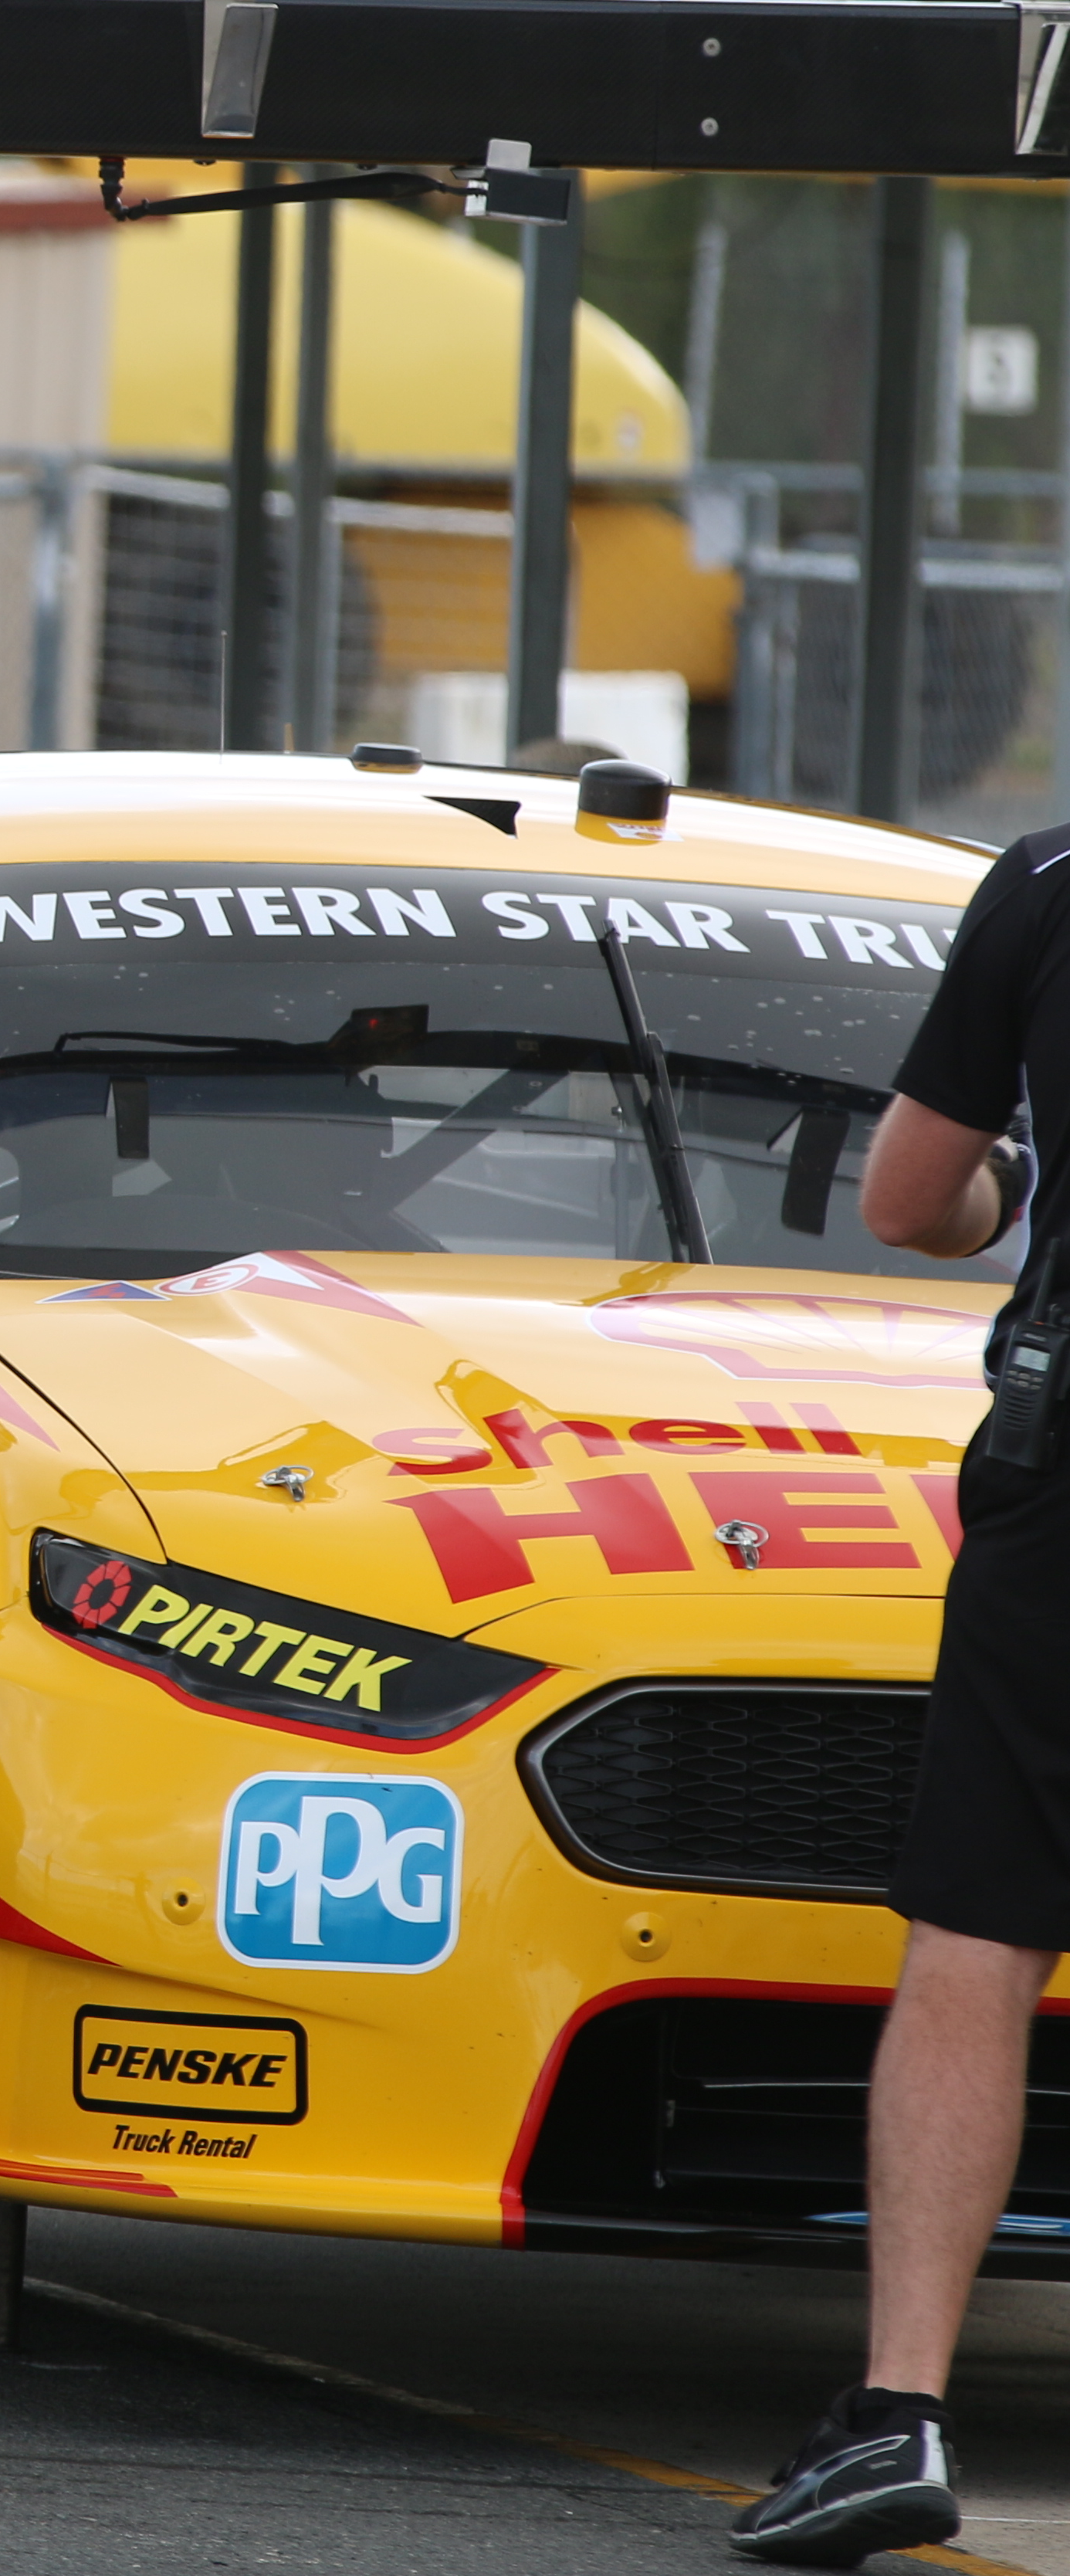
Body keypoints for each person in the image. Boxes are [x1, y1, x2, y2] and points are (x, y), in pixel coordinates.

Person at [728, 842, 1050, 2566]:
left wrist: (1018, 1189)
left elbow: (912, 1199)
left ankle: (901, 2411)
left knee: (980, 1936)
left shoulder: (1057, 883)